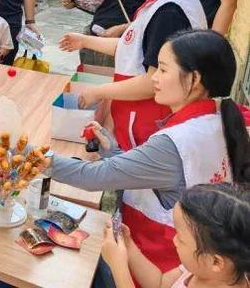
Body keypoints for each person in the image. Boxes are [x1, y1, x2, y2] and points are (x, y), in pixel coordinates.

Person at [52, 29, 250, 273]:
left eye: (163, 70)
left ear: (194, 79)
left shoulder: (174, 142)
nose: (154, 78)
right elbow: (164, 178)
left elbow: (93, 177)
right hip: (190, 260)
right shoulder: (220, 116)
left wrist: (32, 158)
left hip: (154, 262)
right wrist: (113, 151)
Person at [59, 0, 207, 151]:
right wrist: (84, 41)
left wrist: (99, 91)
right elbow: (135, 48)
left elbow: (152, 83)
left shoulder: (170, 12)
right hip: (139, 125)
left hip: (150, 129)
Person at [102, 183, 249, 288]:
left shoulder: (201, 266)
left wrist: (118, 266)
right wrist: (129, 245)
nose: (174, 240)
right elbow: (159, 283)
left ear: (215, 262)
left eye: (181, 238)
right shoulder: (198, 268)